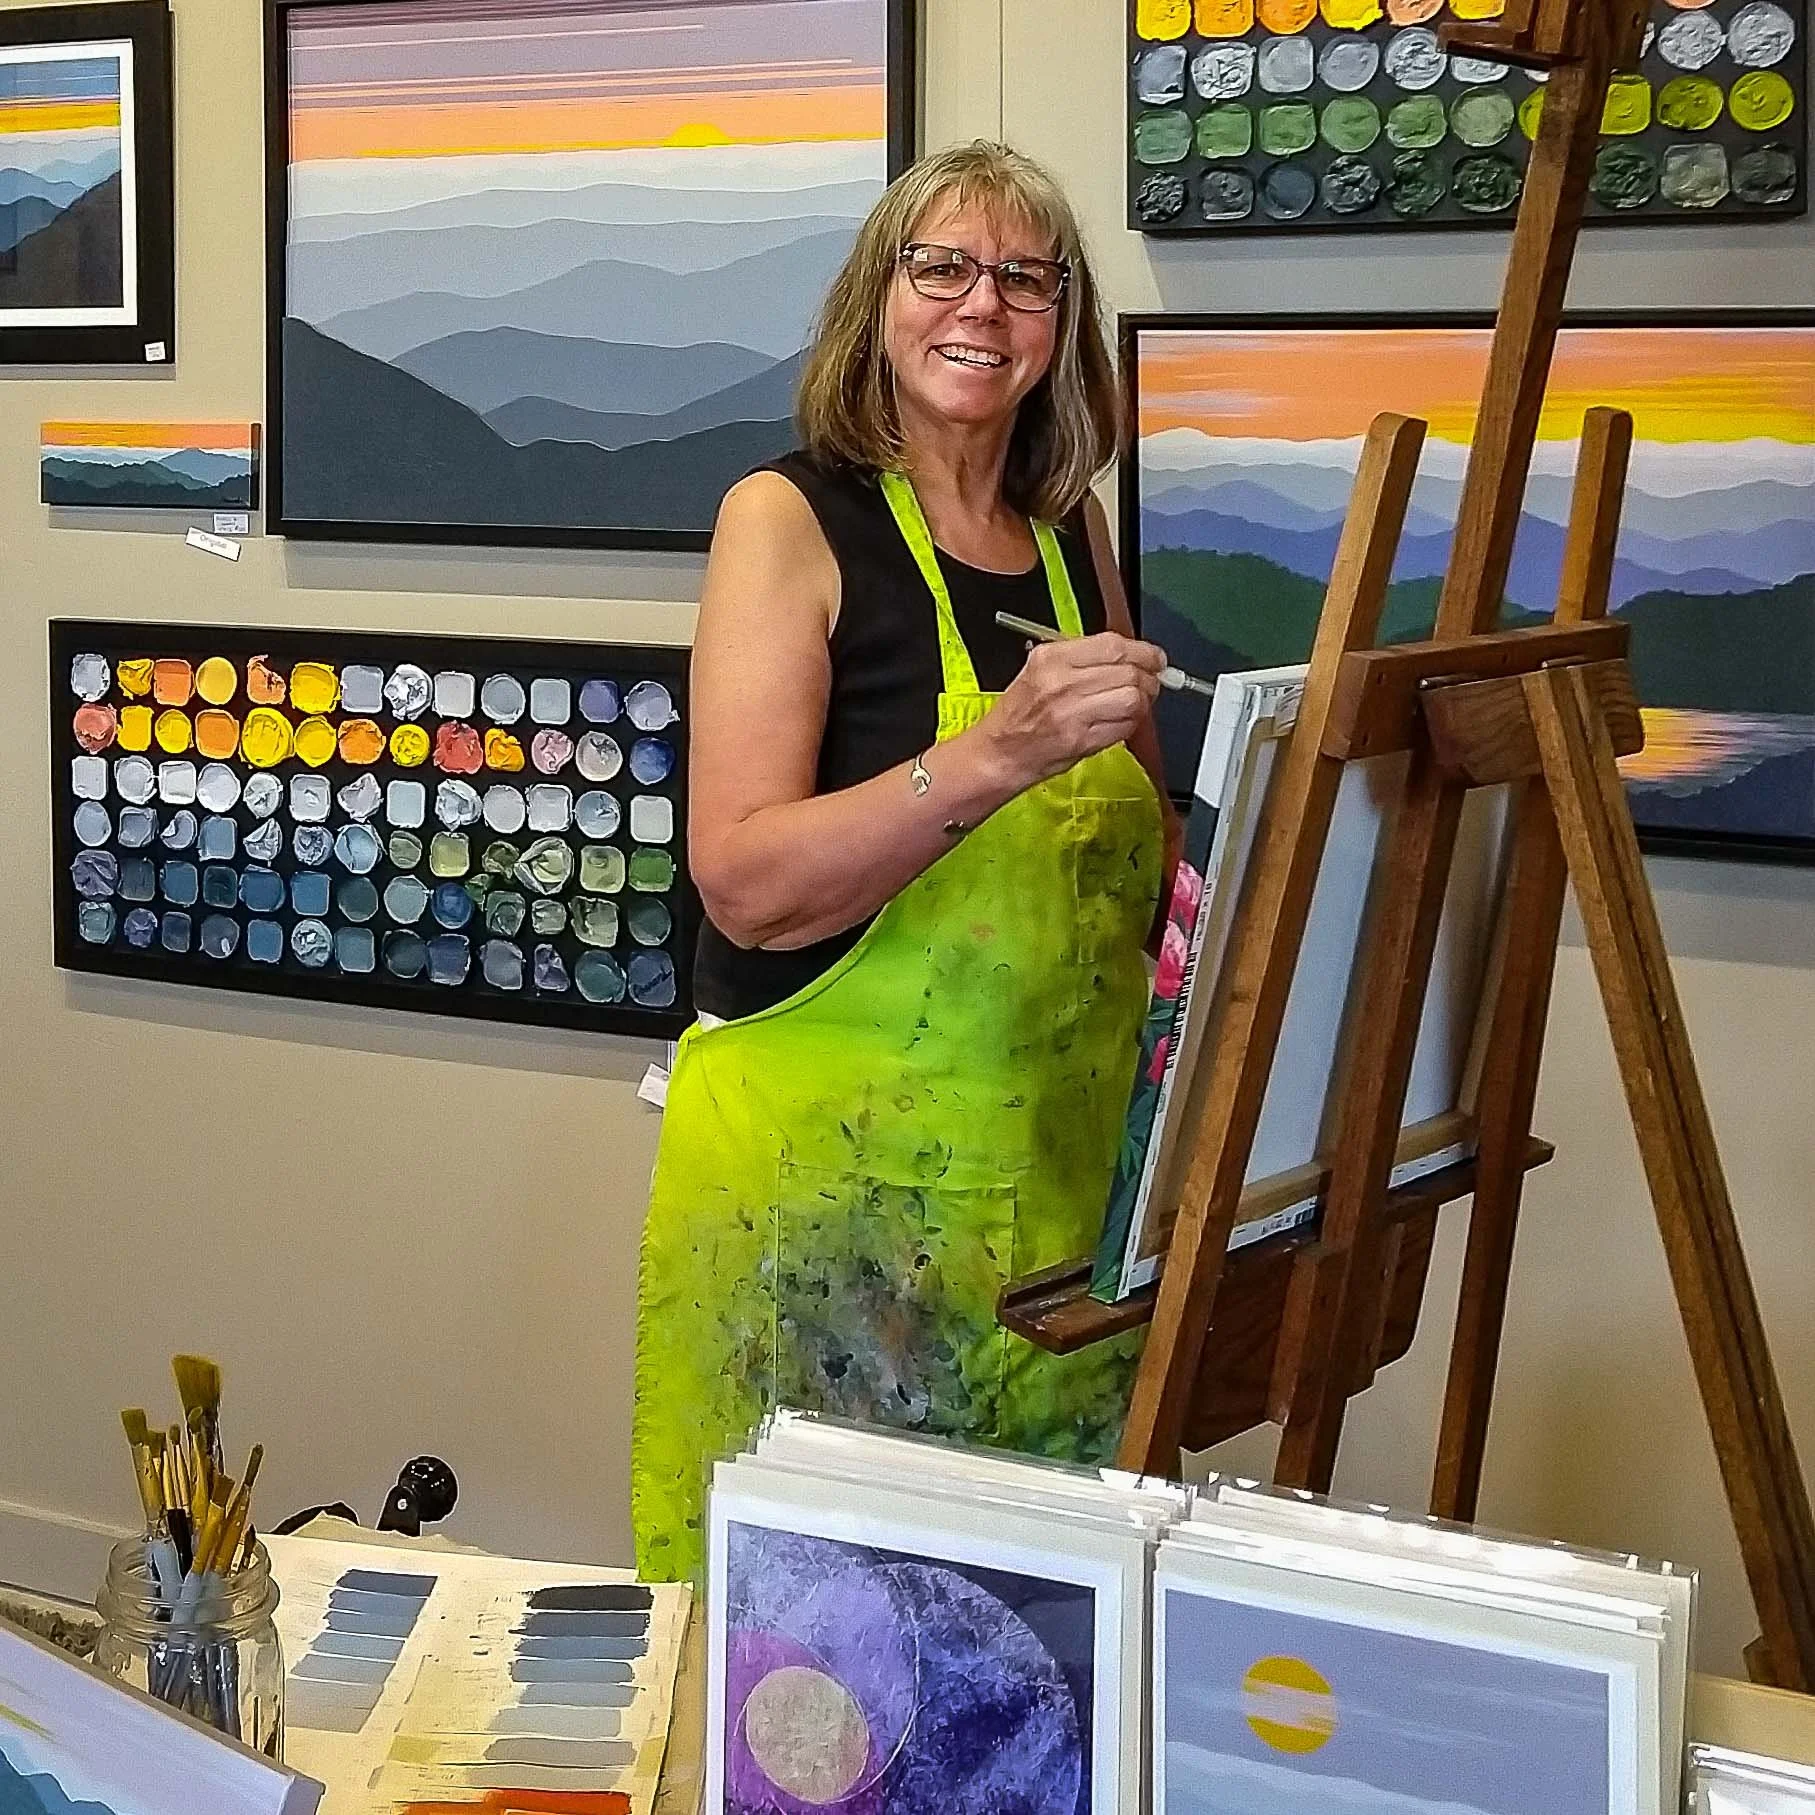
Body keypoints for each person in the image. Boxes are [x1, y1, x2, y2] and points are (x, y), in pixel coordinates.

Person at [630, 140, 1180, 1583]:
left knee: (1024, 1677)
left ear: (1060, 322)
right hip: (828, 1219)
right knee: (821, 1689)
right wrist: (997, 752)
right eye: (940, 267)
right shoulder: (788, 516)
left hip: (1051, 1228)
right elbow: (744, 878)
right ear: (876, 300)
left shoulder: (1073, 539)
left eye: (1021, 277)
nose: (979, 307)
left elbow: (1127, 880)